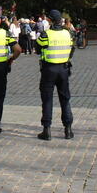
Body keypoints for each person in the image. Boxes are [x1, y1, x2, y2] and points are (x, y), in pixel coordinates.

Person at [36, 10, 75, 141]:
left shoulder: (46, 34)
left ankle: (46, 129)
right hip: (64, 69)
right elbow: (72, 48)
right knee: (65, 98)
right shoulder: (67, 33)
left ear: (51, 20)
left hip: (49, 69)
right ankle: (68, 129)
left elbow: (38, 48)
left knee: (47, 99)